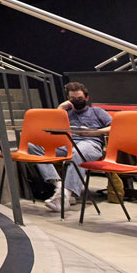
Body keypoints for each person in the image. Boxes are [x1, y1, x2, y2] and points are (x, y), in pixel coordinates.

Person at [29, 82, 112, 211]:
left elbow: (115, 126)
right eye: (73, 99)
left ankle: (64, 197)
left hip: (90, 144)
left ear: (87, 98)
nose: (77, 101)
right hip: (66, 145)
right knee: (33, 146)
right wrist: (60, 108)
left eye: (80, 98)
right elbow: (49, 126)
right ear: (68, 99)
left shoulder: (96, 111)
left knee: (77, 152)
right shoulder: (65, 113)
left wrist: (96, 132)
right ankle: (59, 185)